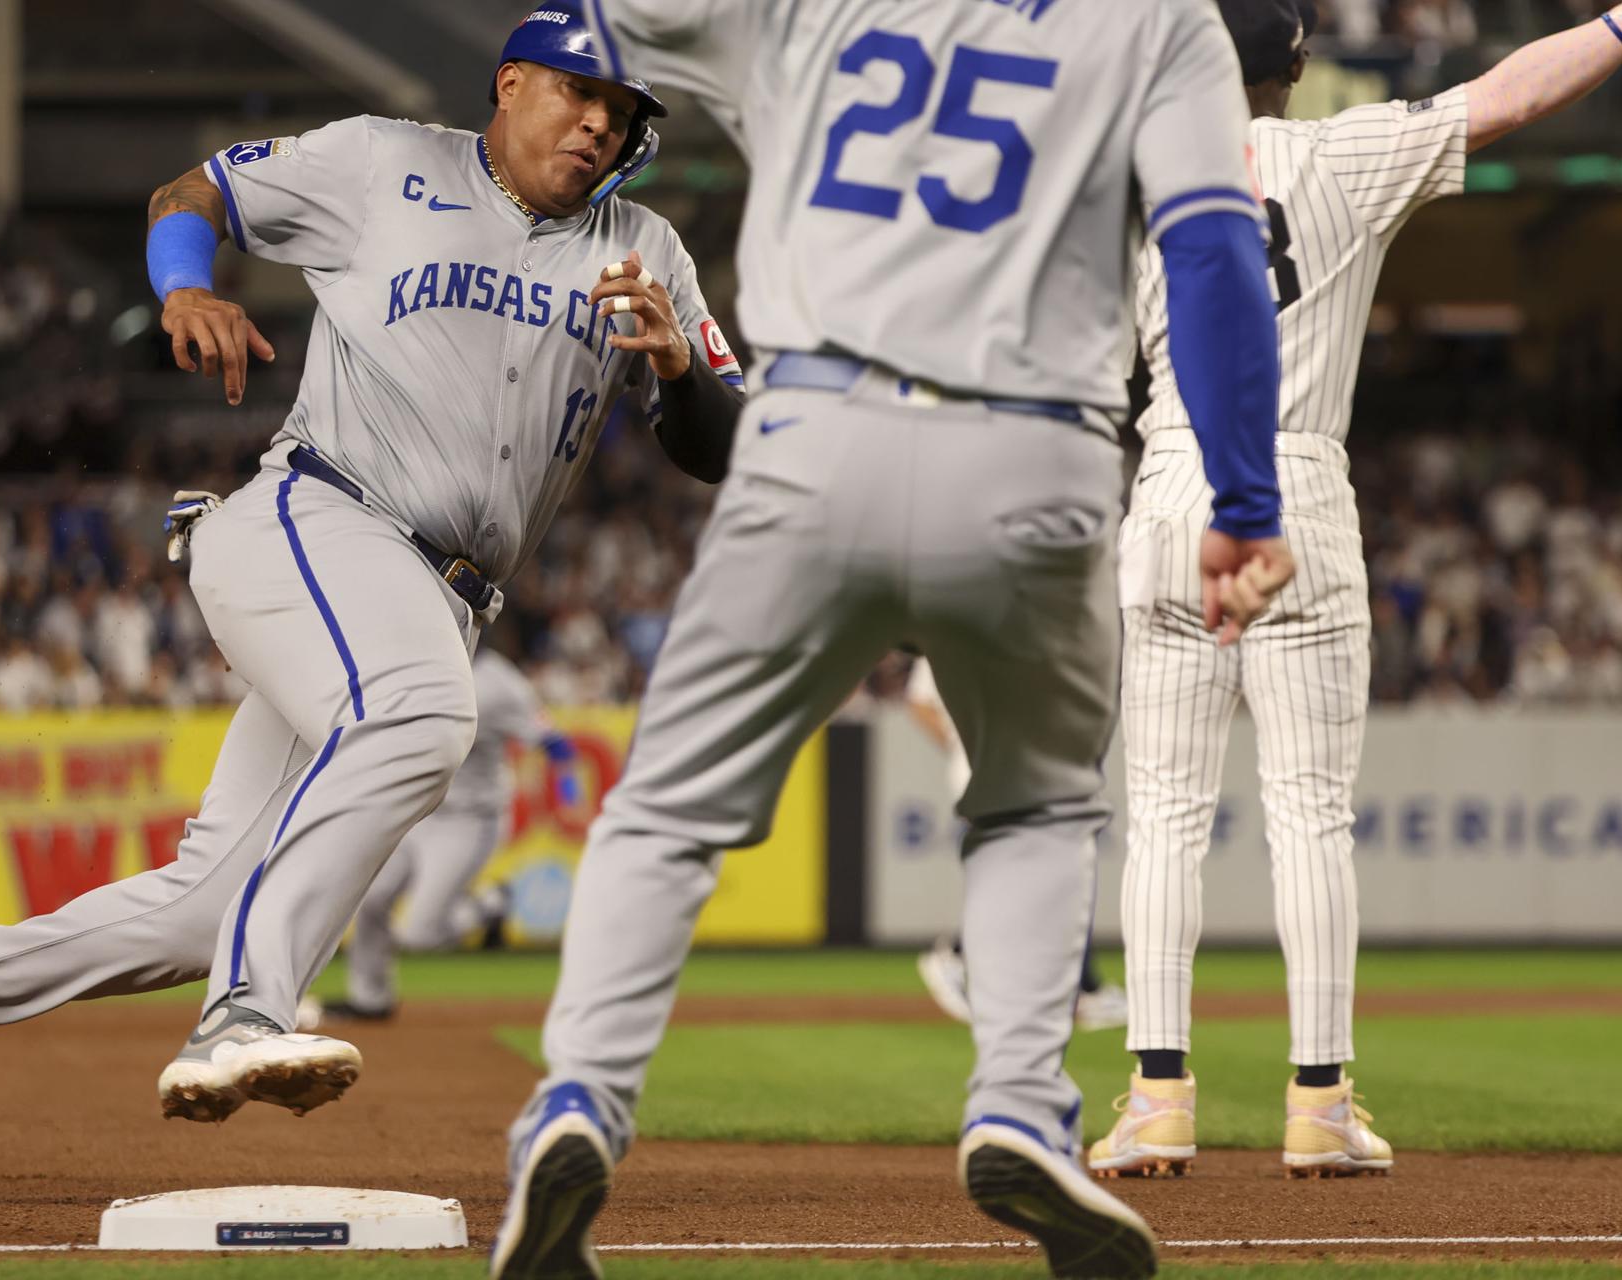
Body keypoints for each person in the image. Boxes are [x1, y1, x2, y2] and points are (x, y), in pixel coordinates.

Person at [490, 1, 1297, 1276]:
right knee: (1034, 805)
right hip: (1039, 450)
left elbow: (601, 19)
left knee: (667, 811)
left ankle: (579, 1097)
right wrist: (1246, 499)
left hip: (817, 430)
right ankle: (1023, 1106)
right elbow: (1211, 254)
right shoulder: (1161, 20)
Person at [0, 0, 745, 1152]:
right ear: (511, 84)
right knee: (425, 714)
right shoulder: (383, 161)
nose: (597, 124)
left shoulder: (648, 251)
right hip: (316, 515)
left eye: (621, 112)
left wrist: (680, 369)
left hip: (433, 596)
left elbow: (722, 444)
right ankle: (245, 1009)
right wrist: (183, 286)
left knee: (199, 909)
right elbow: (191, 195)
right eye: (578, 92)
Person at [1097, 0, 1622, 1182]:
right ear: (1301, 67)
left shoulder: (1127, 176)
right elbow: (1516, 91)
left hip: (1169, 471)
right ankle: (1318, 1101)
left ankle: (1157, 1095)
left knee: (1163, 811)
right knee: (1310, 814)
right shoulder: (1344, 149)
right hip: (1301, 483)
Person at [306, 646, 578, 1025]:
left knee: (420, 934)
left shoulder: (500, 684)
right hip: (419, 811)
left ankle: (492, 903)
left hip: (468, 822)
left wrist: (569, 792)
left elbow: (557, 745)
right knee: (371, 901)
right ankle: (370, 999)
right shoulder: (413, 658)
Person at [905, 658, 1127, 1033]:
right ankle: (960, 954)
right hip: (999, 776)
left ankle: (1080, 986)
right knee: (1038, 877)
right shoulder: (958, 621)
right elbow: (919, 703)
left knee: (1044, 879)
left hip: (1029, 774)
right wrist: (963, 746)